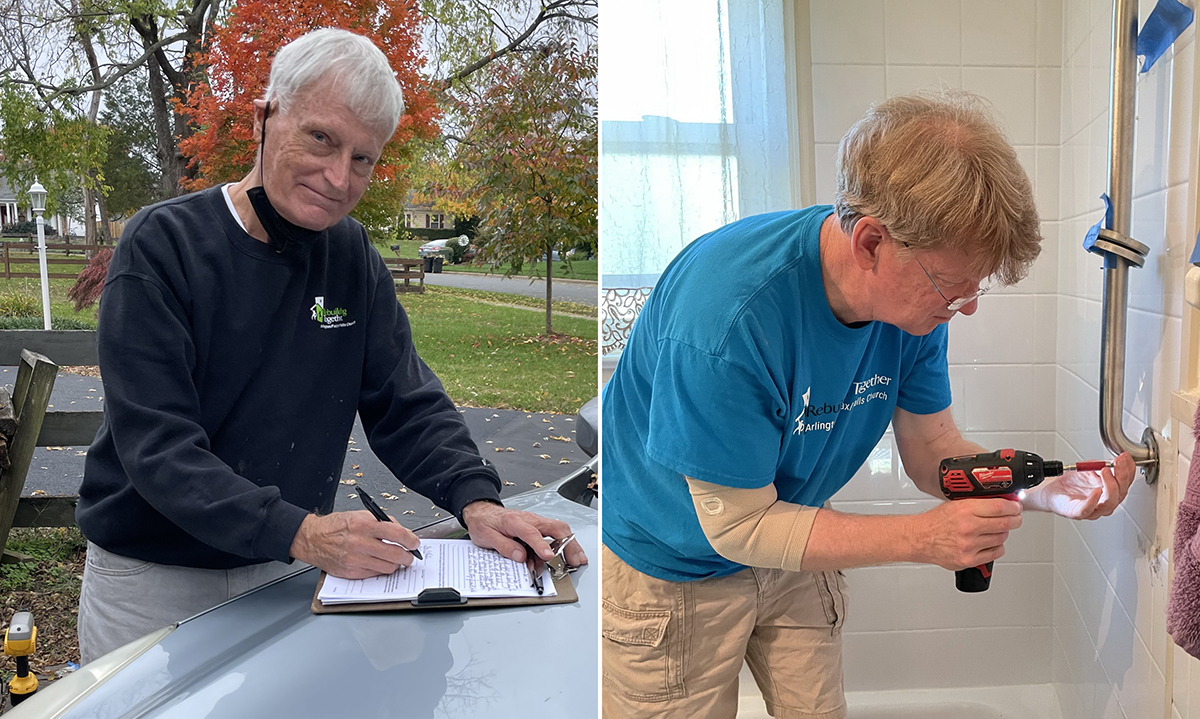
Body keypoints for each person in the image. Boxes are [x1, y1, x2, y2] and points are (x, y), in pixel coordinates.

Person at [600, 91, 1136, 719]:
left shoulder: (915, 306)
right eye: (953, 284)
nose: (968, 306)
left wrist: (1044, 491)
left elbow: (933, 451)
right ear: (872, 242)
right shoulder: (727, 318)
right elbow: (738, 525)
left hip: (792, 534)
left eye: (976, 284)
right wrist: (921, 538)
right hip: (670, 566)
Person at [74, 28, 586, 664]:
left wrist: (476, 500)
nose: (338, 177)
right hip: (153, 572)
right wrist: (308, 534)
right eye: (321, 138)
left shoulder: (350, 257)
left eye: (363, 158)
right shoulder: (163, 247)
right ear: (264, 118)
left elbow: (405, 402)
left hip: (280, 562)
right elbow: (157, 447)